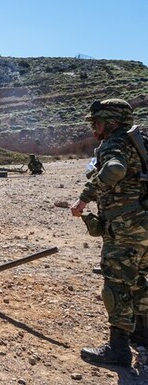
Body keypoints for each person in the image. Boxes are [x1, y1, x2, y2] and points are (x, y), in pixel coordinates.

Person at [71, 98, 148, 367]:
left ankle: (118, 350)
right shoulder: (140, 142)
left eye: (97, 122)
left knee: (116, 285)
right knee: (138, 280)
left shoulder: (115, 143)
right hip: (144, 227)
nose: (94, 128)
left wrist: (85, 197)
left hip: (125, 227)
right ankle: (142, 335)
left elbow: (115, 169)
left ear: (112, 122)